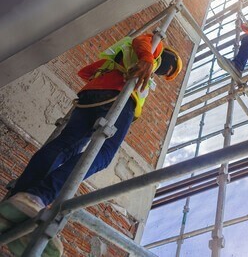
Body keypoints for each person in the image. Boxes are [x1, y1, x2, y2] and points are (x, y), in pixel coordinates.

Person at [0, 32, 182, 256]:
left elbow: (88, 72)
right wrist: (146, 59)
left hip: (93, 93)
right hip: (118, 96)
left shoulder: (122, 56)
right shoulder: (155, 47)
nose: (165, 73)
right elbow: (142, 42)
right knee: (103, 154)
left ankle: (21, 200)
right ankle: (39, 196)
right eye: (169, 70)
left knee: (66, 144)